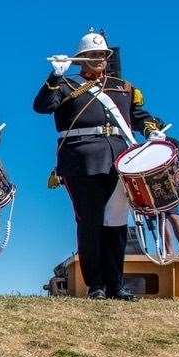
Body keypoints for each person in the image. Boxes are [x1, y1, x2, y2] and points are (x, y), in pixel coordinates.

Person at [35, 30, 164, 301]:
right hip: (81, 159)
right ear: (80, 59)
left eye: (102, 55)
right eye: (92, 56)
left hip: (119, 159)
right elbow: (43, 106)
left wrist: (150, 130)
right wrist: (55, 77)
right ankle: (96, 285)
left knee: (116, 224)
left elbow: (139, 116)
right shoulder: (67, 86)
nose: (99, 60)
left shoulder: (124, 87)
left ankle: (116, 285)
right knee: (90, 222)